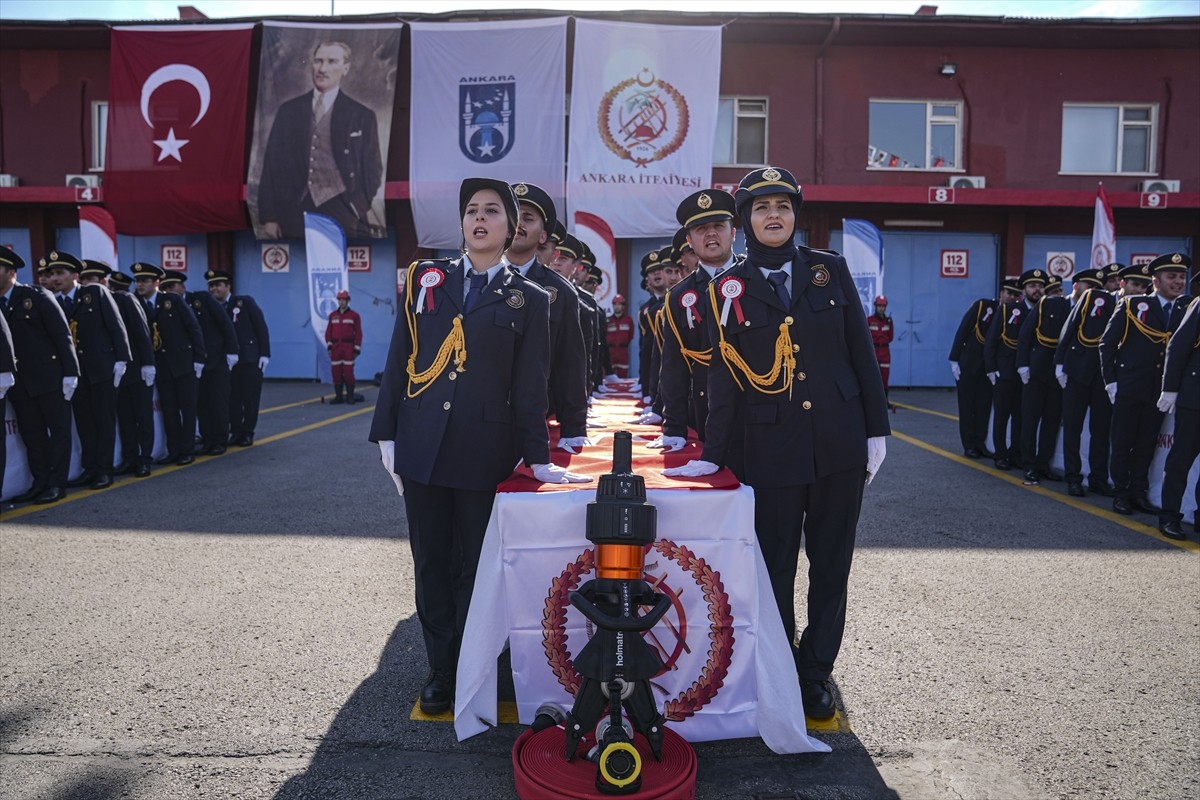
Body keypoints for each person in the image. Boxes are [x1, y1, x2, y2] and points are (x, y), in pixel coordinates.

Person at [664, 167, 890, 720]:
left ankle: (816, 670)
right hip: (769, 447)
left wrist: (876, 429)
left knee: (832, 563)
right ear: (747, 219)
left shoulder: (828, 271)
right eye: (762, 207)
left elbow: (860, 351)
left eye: (782, 207)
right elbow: (722, 378)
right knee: (775, 565)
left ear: (795, 215)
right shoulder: (727, 287)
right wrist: (713, 455)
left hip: (838, 441)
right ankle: (780, 663)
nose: (773, 215)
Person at [369, 177, 588, 715]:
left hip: (486, 451)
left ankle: (476, 661)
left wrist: (538, 457)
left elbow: (532, 386)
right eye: (472, 211)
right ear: (463, 223)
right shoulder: (426, 277)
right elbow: (401, 355)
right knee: (432, 564)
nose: (480, 219)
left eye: (493, 211)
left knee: (478, 567)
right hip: (422, 445)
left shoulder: (531, 298)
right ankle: (442, 668)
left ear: (510, 227)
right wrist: (387, 433)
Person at [257, 41, 383, 240]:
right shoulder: (289, 111)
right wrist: (270, 217)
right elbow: (272, 165)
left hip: (342, 211)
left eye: (332, 62)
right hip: (294, 210)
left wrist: (356, 207)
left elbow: (373, 169)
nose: (323, 69)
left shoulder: (361, 115)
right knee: (297, 267)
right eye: (318, 61)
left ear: (345, 68)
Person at [1101, 258, 1190, 516]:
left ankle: (1138, 491)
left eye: (1181, 277)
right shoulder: (1133, 305)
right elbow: (1107, 344)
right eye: (1171, 277)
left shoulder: (1186, 308)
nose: (1178, 282)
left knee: (1146, 444)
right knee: (1122, 442)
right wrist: (1111, 381)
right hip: (1130, 386)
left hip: (1161, 391)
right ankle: (1121, 492)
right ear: (1155, 282)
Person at [505, 183, 588, 449]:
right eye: (513, 216)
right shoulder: (473, 280)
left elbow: (570, 366)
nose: (518, 224)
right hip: (477, 417)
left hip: (537, 416)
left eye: (528, 218)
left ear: (543, 236)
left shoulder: (561, 292)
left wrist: (573, 428)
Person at [656, 188, 738, 451]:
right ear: (689, 240)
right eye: (701, 229)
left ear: (733, 233)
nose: (711, 233)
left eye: (718, 226)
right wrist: (674, 427)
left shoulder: (758, 279)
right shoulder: (679, 296)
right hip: (707, 408)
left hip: (761, 407)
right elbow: (673, 367)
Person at [0, 247, 79, 504]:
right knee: (32, 436)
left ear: (11, 272)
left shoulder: (35, 295)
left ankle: (57, 484)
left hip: (49, 378)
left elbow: (61, 335)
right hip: (20, 382)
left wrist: (71, 373)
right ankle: (40, 481)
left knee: (58, 434)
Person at [50, 255, 131, 490]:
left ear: (75, 276)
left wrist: (122, 359)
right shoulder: (54, 301)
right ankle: (90, 468)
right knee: (85, 423)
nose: (55, 279)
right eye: (53, 274)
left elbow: (116, 326)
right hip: (76, 373)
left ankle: (104, 471)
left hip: (102, 368)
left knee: (104, 421)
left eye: (60, 274)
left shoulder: (94, 293)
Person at [133, 263, 205, 466]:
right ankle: (174, 450)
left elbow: (194, 329)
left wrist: (199, 358)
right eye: (137, 281)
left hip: (183, 363)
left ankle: (188, 450)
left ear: (156, 283)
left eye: (145, 281)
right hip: (161, 366)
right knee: (170, 410)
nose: (140, 285)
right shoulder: (136, 303)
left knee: (187, 409)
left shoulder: (171, 300)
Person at [1054, 268, 1115, 497]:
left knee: (1100, 430)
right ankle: (1073, 477)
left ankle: (1098, 478)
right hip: (1077, 373)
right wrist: (1060, 362)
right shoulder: (1091, 300)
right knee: (1073, 428)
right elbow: (1069, 329)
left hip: (1103, 377)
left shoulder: (1121, 303)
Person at [984, 270, 1045, 470]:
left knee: (1022, 417)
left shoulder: (1044, 310)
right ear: (1024, 290)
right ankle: (1000, 454)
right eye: (1032, 286)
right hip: (1006, 372)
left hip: (1030, 374)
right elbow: (992, 341)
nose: (1037, 290)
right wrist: (991, 368)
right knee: (1002, 416)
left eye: (1040, 286)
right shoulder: (1008, 310)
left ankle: (1016, 453)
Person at [1157, 264, 1200, 540]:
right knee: (1181, 460)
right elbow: (1178, 346)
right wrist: (1170, 389)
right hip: (1195, 397)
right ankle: (1170, 516)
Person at [179, 271, 239, 455]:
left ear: (182, 286)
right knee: (202, 404)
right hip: (196, 364)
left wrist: (232, 351)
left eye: (171, 286)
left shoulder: (201, 299)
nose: (168, 291)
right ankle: (207, 439)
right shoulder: (176, 305)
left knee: (218, 402)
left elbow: (225, 324)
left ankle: (220, 441)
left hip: (216, 360)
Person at [208, 271, 271, 447]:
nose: (214, 289)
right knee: (231, 399)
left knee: (249, 398)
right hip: (226, 362)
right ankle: (236, 431)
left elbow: (261, 328)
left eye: (218, 284)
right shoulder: (211, 306)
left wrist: (264, 354)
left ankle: (247, 432)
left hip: (249, 359)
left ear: (228, 286)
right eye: (211, 285)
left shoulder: (244, 303)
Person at [106, 269, 157, 478]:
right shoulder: (109, 300)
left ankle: (144, 459)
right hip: (120, 372)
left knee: (143, 416)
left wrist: (148, 364)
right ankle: (129, 458)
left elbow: (141, 332)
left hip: (137, 369)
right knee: (125, 418)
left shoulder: (127, 300)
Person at [1016, 289, 1069, 485]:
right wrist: (1022, 364)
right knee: (1030, 420)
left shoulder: (1071, 307)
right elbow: (1025, 334)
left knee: (1051, 421)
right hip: (1036, 371)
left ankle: (1043, 464)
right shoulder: (1049, 303)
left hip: (1060, 375)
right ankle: (1029, 464)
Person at [948, 294, 998, 458]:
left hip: (987, 368)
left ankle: (980, 443)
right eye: (1007, 293)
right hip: (968, 366)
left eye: (1014, 294)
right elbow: (963, 330)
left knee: (983, 407)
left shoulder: (1006, 312)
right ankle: (969, 445)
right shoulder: (983, 307)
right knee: (967, 407)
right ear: (1001, 293)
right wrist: (954, 358)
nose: (1010, 297)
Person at [325, 290, 363, 405]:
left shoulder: (354, 316)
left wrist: (356, 349)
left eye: (344, 300)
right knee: (336, 373)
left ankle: (350, 396)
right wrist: (330, 347)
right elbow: (328, 333)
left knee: (348, 373)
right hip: (336, 348)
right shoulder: (333, 316)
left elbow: (359, 333)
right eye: (340, 299)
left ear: (348, 301)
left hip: (348, 347)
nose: (342, 302)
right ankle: (339, 397)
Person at [868, 295, 894, 406]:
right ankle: (872, 402)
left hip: (884, 351)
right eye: (879, 305)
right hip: (873, 351)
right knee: (872, 377)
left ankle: (884, 402)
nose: (881, 308)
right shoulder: (869, 320)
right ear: (875, 306)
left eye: (883, 306)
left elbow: (891, 337)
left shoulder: (888, 321)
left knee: (884, 376)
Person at [606, 294, 634, 378]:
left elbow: (630, 335)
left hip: (623, 352)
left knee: (623, 377)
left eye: (619, 304)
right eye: (615, 304)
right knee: (610, 377)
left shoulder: (628, 320)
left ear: (623, 306)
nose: (617, 307)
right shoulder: (608, 320)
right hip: (611, 352)